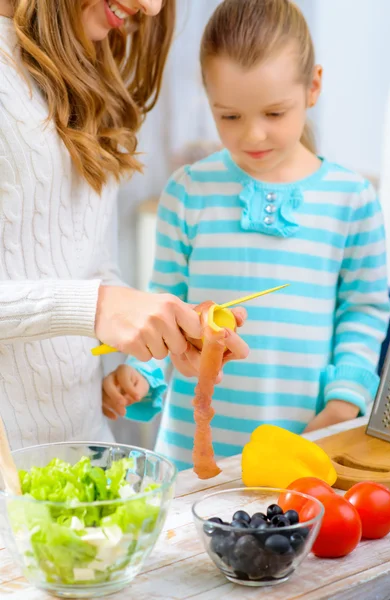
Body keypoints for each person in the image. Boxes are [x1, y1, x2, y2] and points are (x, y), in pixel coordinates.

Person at [103, 0, 390, 471]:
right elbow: (164, 307)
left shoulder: (351, 198)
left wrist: (343, 404)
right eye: (230, 116)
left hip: (301, 449)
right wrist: (139, 374)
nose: (253, 136)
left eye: (275, 113)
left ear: (313, 86)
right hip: (190, 461)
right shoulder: (189, 191)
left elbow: (363, 310)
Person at [0, 0, 249, 450]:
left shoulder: (85, 61)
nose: (152, 8)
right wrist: (97, 309)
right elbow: (89, 298)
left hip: (86, 453)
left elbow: (87, 264)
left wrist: (136, 343)